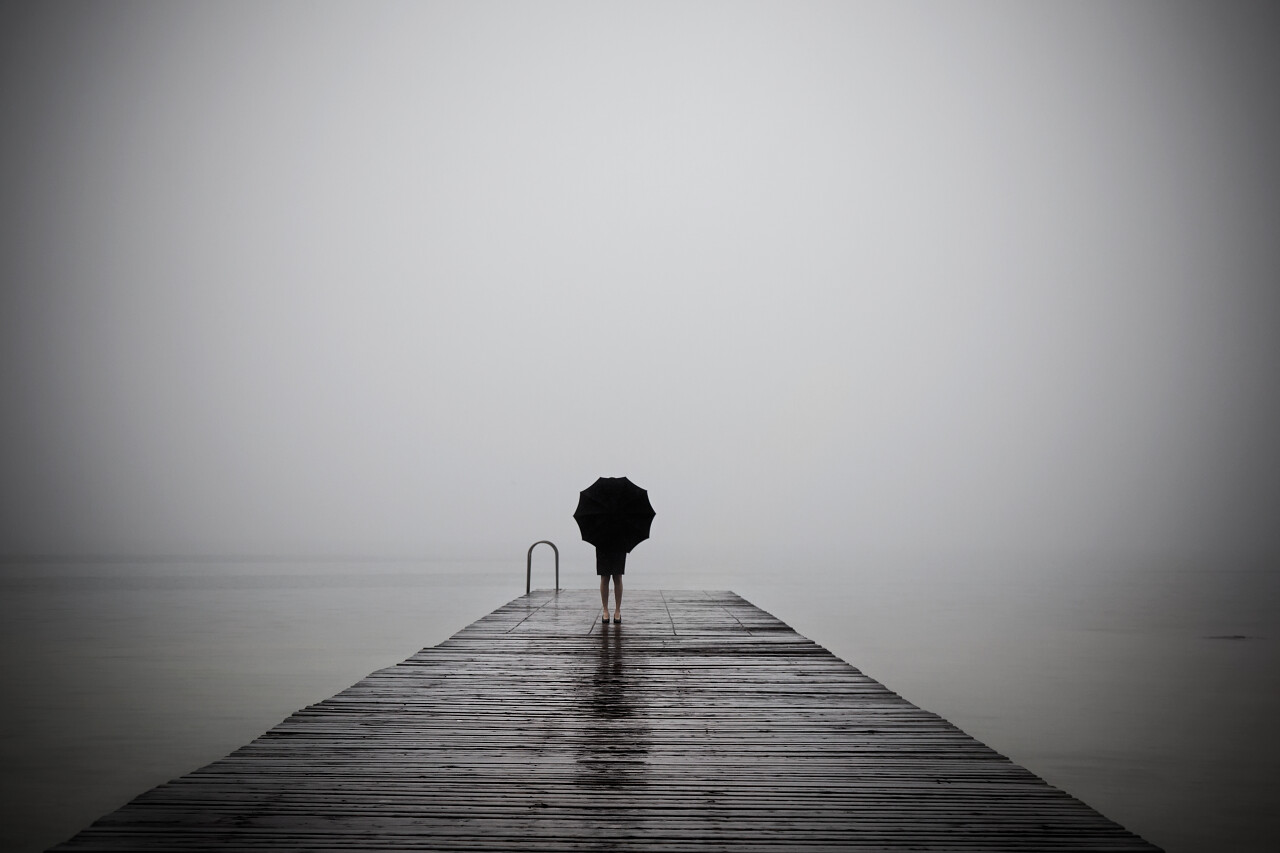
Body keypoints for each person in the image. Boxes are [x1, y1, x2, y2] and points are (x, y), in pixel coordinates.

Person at [597, 548, 625, 624]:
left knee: (618, 577)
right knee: (605, 577)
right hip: (602, 543)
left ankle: (617, 610)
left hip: (619, 544)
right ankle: (605, 610)